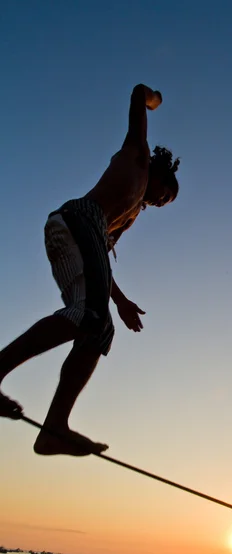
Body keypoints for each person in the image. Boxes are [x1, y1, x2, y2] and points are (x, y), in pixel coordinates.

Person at [0, 83, 180, 457]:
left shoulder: (123, 221)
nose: (161, 201)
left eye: (165, 203)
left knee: (97, 328)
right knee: (91, 316)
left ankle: (53, 429)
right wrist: (155, 100)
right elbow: (137, 94)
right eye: (167, 191)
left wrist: (123, 301)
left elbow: (97, 262)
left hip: (74, 234)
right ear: (161, 172)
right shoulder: (138, 156)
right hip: (78, 219)